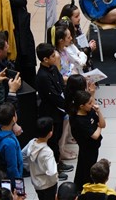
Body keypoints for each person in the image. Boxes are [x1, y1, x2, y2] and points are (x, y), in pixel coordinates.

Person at [34, 43, 73, 179]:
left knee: (58, 136)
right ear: (45, 59)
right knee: (52, 140)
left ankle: (59, 161)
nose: (55, 57)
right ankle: (54, 166)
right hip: (50, 111)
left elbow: (61, 86)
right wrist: (67, 105)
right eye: (52, 56)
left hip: (59, 110)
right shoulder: (42, 76)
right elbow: (53, 96)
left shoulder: (53, 69)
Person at [69, 90, 106, 192]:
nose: (92, 104)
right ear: (81, 106)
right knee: (85, 171)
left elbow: (103, 124)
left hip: (94, 147)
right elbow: (95, 135)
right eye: (89, 103)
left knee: (87, 169)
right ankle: (83, 190)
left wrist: (99, 112)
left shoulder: (90, 111)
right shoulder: (79, 121)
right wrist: (99, 127)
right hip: (87, 149)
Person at [21, 117, 60, 200]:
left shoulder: (32, 142)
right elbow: (52, 172)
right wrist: (55, 180)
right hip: (48, 185)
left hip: (36, 183)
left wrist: (29, 168)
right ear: (50, 133)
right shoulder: (47, 152)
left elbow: (22, 156)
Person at [0, 103, 23, 181]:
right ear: (14, 118)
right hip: (11, 180)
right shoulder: (9, 143)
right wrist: (18, 184)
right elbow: (12, 168)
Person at [59, 0, 97, 71]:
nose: (79, 18)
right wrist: (89, 48)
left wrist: (88, 47)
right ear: (69, 18)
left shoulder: (77, 26)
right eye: (76, 17)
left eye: (79, 15)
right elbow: (75, 54)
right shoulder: (66, 34)